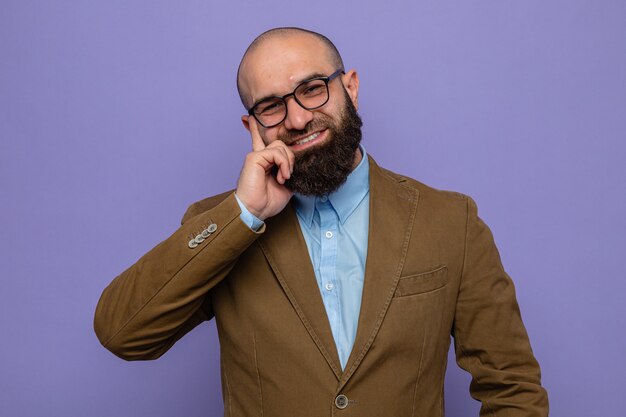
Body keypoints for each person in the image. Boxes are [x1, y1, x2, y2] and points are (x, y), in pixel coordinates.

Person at [94, 27, 549, 416]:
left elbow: (513, 388)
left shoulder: (451, 220)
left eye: (312, 88)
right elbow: (122, 333)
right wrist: (244, 214)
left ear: (349, 87)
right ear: (251, 126)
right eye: (271, 106)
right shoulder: (222, 224)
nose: (296, 117)